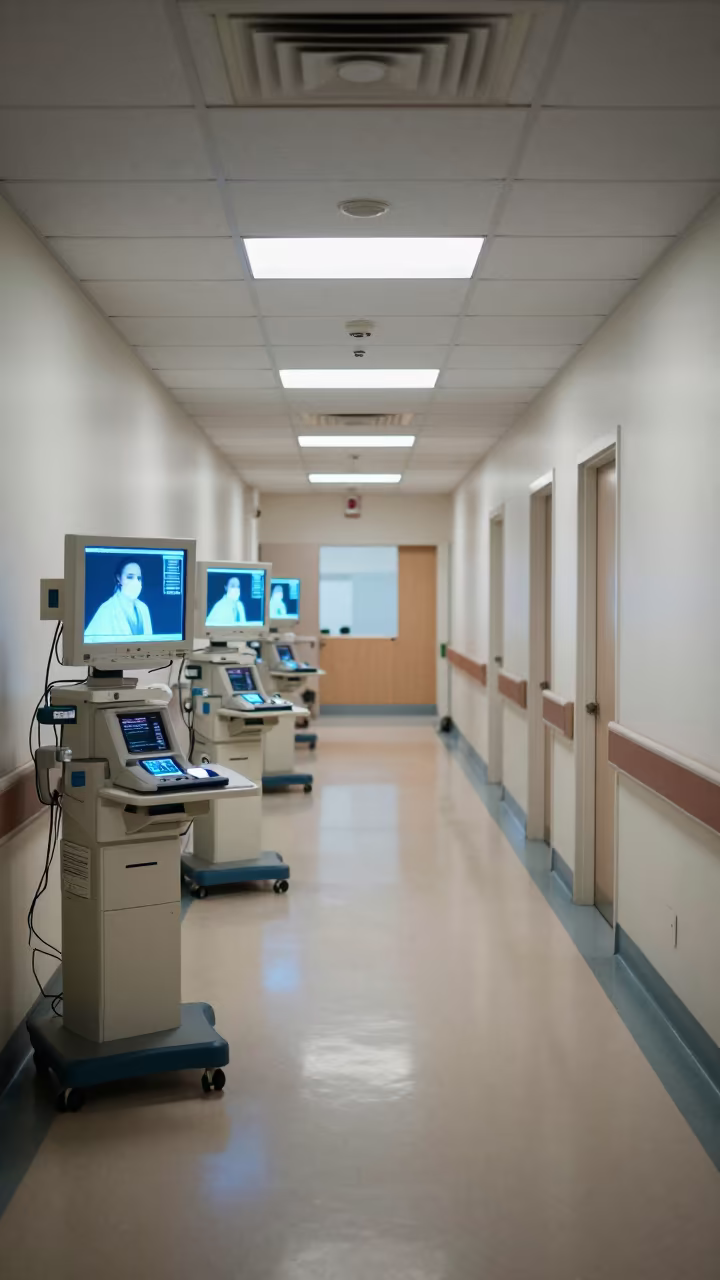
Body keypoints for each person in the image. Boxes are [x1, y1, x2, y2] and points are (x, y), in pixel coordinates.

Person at [85, 559, 153, 638]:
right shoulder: (106, 610)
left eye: (139, 578)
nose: (136, 582)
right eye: (130, 577)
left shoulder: (143, 608)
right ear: (119, 578)